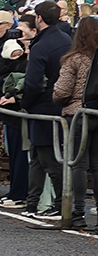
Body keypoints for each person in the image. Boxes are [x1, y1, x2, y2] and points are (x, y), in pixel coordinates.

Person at [51, 16, 98, 229]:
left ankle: (77, 213)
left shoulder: (75, 59)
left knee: (78, 164)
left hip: (77, 114)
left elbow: (62, 92)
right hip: (96, 112)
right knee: (96, 165)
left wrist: (57, 96)